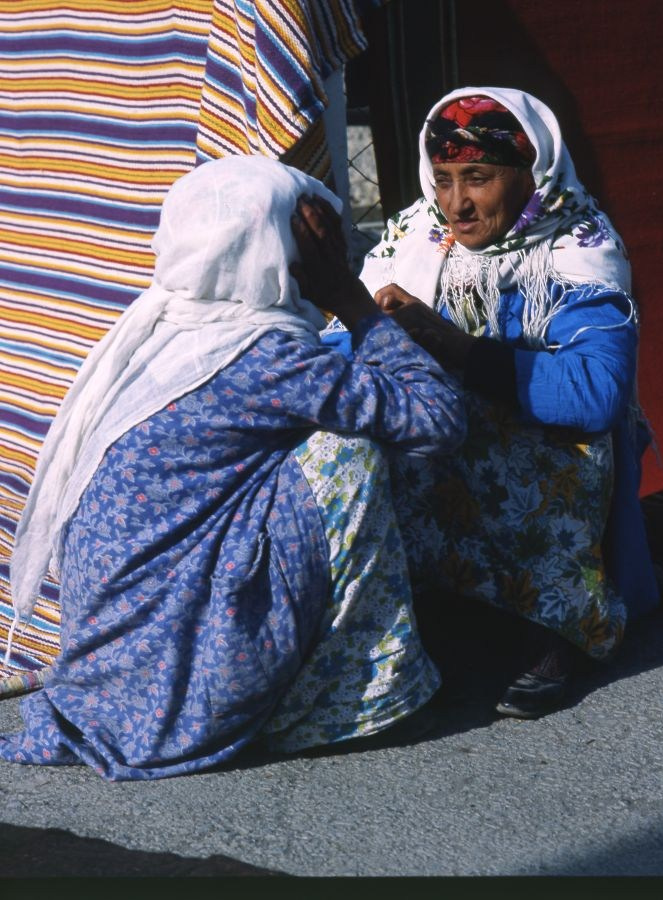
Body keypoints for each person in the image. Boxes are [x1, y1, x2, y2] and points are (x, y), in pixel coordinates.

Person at [0, 155, 466, 780]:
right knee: (346, 458)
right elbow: (437, 419)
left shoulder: (166, 330)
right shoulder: (265, 359)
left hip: (118, 662)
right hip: (182, 684)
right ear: (275, 254)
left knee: (327, 442)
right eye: (313, 243)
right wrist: (356, 304)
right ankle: (346, 704)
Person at [322, 87, 659, 717]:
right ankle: (429, 602)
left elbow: (596, 395)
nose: (456, 205)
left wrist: (454, 349)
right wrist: (368, 326)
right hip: (454, 441)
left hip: (546, 450)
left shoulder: (574, 249)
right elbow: (335, 348)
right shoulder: (416, 237)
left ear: (533, 173)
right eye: (444, 179)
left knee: (552, 453)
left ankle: (560, 627)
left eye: (478, 178)